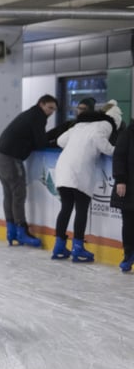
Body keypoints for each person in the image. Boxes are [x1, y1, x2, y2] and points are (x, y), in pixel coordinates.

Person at [51, 100, 120, 262]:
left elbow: (60, 141)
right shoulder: (105, 124)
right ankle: (78, 248)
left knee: (66, 207)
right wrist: (119, 151)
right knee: (81, 209)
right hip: (81, 170)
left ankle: (59, 245)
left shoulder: (79, 126)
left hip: (63, 168)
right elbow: (103, 145)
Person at [0, 94, 59, 247]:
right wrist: (55, 142)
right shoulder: (37, 116)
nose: (51, 112)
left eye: (54, 110)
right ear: (41, 104)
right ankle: (21, 231)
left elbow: (37, 139)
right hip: (10, 158)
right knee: (18, 194)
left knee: (9, 194)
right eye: (49, 108)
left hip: (0, 156)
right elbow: (40, 142)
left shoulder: (30, 114)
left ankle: (11, 231)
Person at [112, 109, 134, 271]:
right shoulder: (128, 133)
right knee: (129, 222)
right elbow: (119, 156)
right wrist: (120, 180)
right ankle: (129, 254)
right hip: (129, 186)